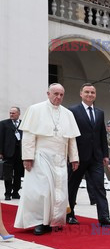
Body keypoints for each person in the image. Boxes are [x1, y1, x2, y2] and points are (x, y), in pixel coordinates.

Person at [14, 83, 80, 235]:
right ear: (48, 93)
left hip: (60, 159)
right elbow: (29, 136)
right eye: (55, 94)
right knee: (42, 191)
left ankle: (53, 221)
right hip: (41, 156)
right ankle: (38, 221)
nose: (58, 97)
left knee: (59, 192)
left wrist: (74, 158)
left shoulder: (68, 114)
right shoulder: (35, 109)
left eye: (61, 95)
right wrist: (27, 157)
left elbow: (71, 139)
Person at [67, 83, 110, 226]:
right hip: (78, 157)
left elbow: (102, 134)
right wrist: (72, 156)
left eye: (92, 92)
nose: (90, 95)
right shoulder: (72, 111)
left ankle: (104, 217)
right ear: (81, 94)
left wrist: (105, 155)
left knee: (99, 186)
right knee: (73, 186)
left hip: (96, 157)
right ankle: (69, 214)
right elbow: (70, 135)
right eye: (87, 92)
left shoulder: (99, 112)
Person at [0, 107, 24, 200]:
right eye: (10, 113)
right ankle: (7, 193)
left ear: (18, 114)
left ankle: (16, 192)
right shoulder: (4, 124)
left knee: (18, 174)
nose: (11, 114)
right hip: (8, 153)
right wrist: (0, 152)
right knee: (8, 174)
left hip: (20, 153)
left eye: (13, 113)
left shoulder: (23, 123)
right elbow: (1, 138)